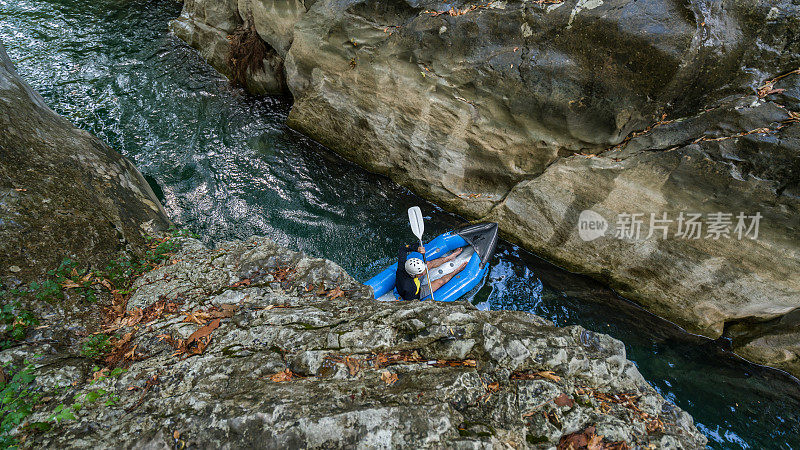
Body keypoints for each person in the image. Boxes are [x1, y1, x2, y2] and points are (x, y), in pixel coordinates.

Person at [396, 243, 468, 301]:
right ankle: (457, 271)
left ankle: (449, 257)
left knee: (428, 264)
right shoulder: (410, 288)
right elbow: (412, 301)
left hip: (412, 279)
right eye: (421, 273)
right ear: (415, 274)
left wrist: (416, 248)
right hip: (416, 293)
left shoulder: (402, 266)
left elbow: (402, 248)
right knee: (440, 282)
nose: (423, 272)